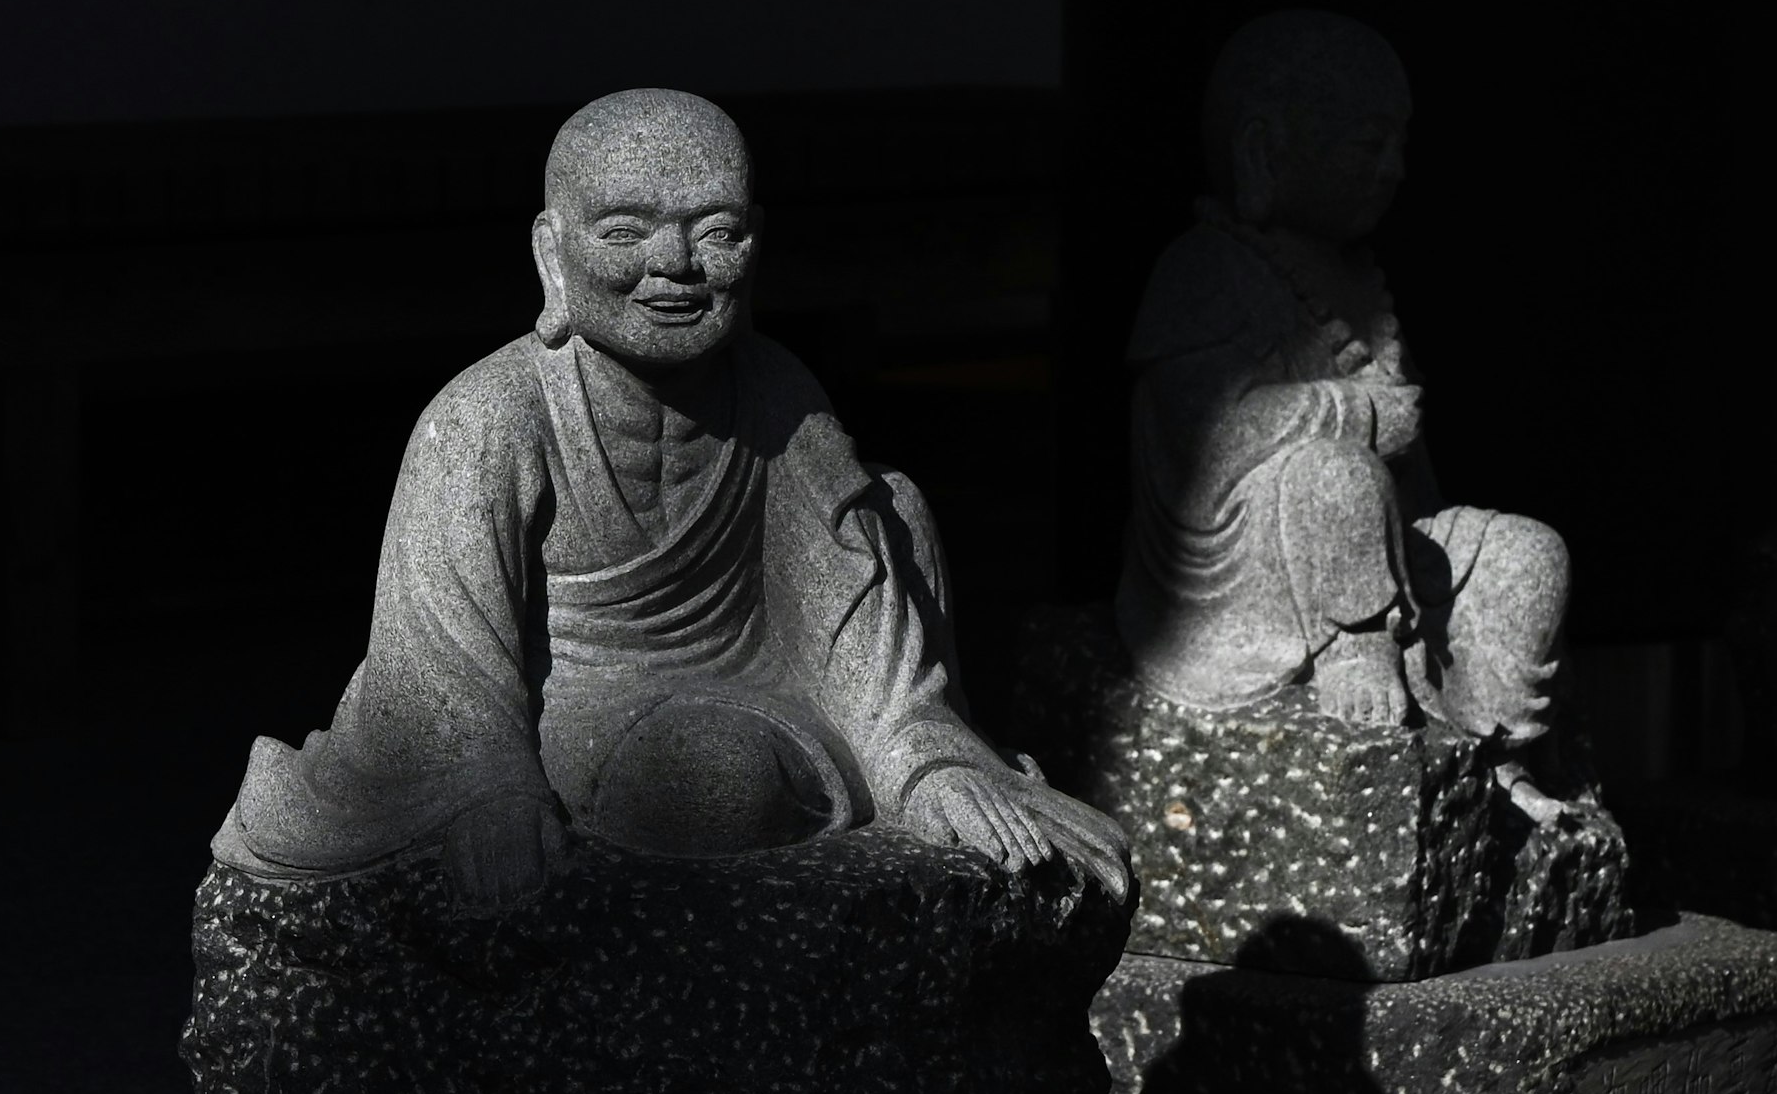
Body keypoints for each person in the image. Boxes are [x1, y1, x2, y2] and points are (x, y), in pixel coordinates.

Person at [213, 89, 1128, 904]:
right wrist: (487, 793)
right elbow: (441, 663)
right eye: (623, 232)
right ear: (550, 252)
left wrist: (924, 761)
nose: (677, 264)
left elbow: (851, 619)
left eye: (719, 230)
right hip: (563, 709)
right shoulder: (488, 417)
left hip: (763, 693)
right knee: (703, 780)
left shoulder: (776, 391)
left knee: (889, 506)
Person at [1116, 10, 1569, 738]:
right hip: (1249, 576)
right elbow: (1205, 439)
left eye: (1399, 143)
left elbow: (1415, 488)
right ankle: (1352, 649)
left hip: (1383, 547)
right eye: (1367, 145)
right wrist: (1354, 416)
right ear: (1263, 152)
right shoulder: (1202, 270)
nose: (1393, 170)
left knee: (1529, 554)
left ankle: (1490, 742)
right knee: (1337, 476)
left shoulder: (1361, 282)